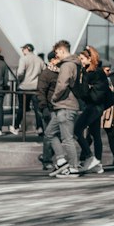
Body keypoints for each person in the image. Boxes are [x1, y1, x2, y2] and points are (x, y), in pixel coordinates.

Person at [44, 40, 96, 177]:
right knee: (49, 132)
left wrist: (54, 98)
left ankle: (73, 167)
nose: (56, 56)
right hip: (64, 106)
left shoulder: (67, 65)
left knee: (67, 138)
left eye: (57, 53)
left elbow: (62, 84)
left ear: (62, 50)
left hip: (65, 105)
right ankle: (61, 161)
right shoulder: (75, 64)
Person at [74, 46, 110, 172]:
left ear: (89, 59)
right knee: (95, 135)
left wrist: (82, 75)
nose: (81, 61)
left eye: (82, 59)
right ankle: (98, 165)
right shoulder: (99, 71)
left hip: (93, 107)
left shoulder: (90, 73)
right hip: (98, 107)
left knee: (76, 130)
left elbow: (83, 92)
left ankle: (90, 157)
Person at [10, 43, 44, 134]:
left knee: (22, 108)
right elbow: (44, 71)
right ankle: (40, 127)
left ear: (27, 49)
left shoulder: (23, 59)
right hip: (36, 88)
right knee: (37, 109)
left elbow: (20, 73)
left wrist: (19, 80)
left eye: (23, 49)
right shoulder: (39, 60)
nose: (22, 51)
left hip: (24, 87)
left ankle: (16, 127)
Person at [37, 50, 59, 174]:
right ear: (52, 60)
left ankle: (47, 157)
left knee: (57, 135)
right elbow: (41, 92)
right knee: (49, 135)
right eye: (57, 58)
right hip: (49, 109)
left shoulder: (60, 72)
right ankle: (47, 160)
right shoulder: (46, 74)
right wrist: (44, 108)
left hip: (57, 108)